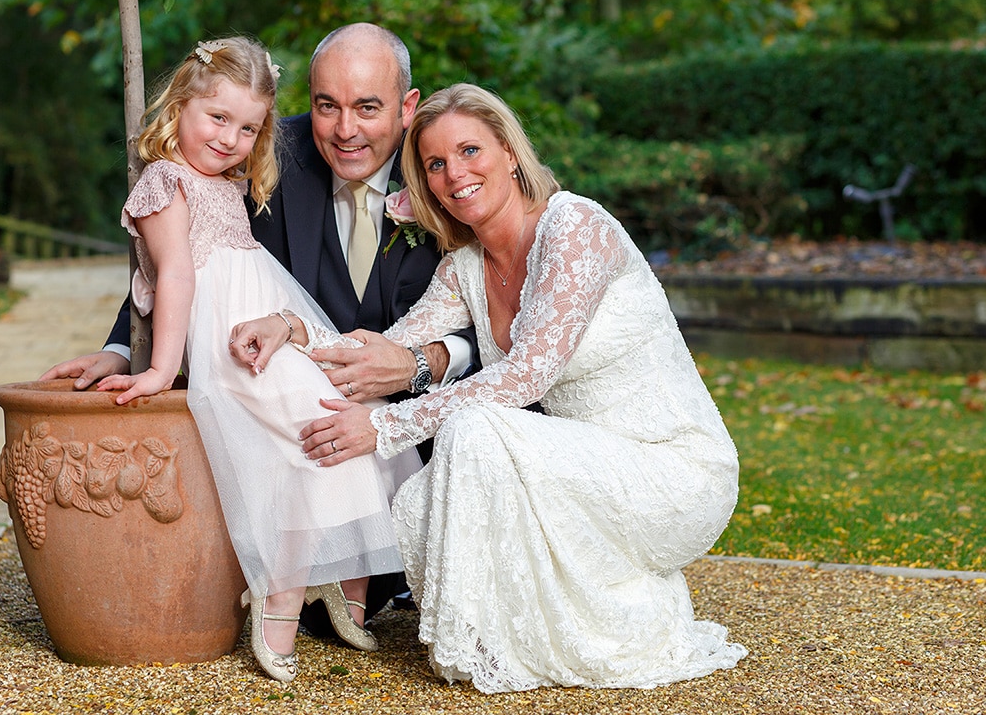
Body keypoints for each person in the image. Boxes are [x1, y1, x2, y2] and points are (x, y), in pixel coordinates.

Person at [231, 83, 748, 693]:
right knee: (422, 498)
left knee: (474, 431)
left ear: (509, 151)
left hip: (673, 471)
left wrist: (384, 427)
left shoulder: (574, 226)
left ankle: (482, 644)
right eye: (436, 164)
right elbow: (387, 343)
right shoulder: (467, 265)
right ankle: (506, 644)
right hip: (576, 466)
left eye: (471, 151)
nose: (456, 174)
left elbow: (526, 374)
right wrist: (289, 328)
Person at [41, 23, 479, 625]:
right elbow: (183, 254)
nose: (344, 130)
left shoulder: (448, 171)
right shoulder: (263, 151)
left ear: (407, 107)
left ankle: (406, 564)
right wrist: (123, 346)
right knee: (316, 610)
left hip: (411, 425)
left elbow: (504, 313)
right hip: (284, 417)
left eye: (368, 108)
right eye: (327, 106)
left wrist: (424, 363)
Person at [92, 35, 421, 683]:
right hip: (231, 337)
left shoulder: (436, 167)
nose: (231, 138)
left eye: (248, 128)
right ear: (181, 103)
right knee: (312, 427)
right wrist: (143, 362)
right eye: (218, 119)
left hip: (273, 317)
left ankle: (347, 577)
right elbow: (172, 275)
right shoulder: (172, 178)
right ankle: (283, 588)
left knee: (351, 415)